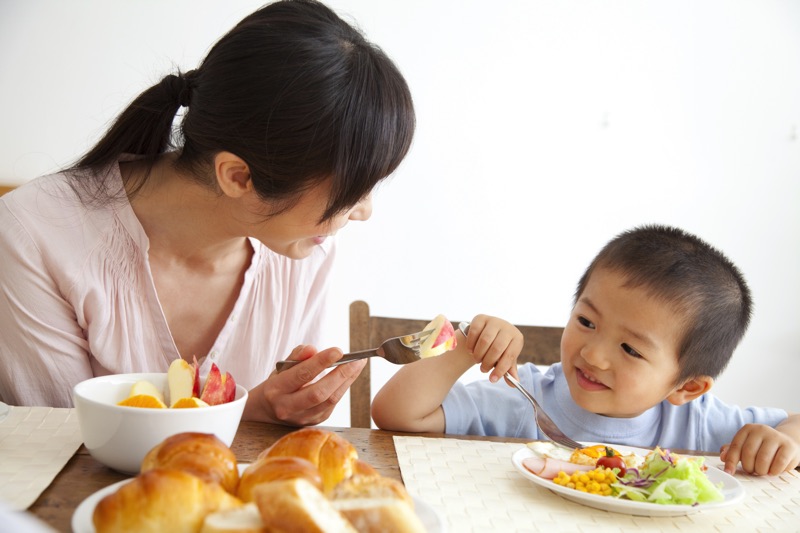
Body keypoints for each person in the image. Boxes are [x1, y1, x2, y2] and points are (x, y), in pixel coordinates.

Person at [0, 0, 415, 427]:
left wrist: (287, 411)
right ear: (237, 176)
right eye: (350, 192)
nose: (364, 212)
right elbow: (61, 446)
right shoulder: (32, 235)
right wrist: (247, 413)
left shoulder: (303, 249)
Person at [371, 225, 800, 476]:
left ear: (687, 387)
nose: (593, 355)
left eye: (630, 349)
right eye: (586, 322)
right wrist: (463, 343)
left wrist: (778, 443)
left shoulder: (699, 424)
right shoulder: (527, 399)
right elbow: (395, 415)